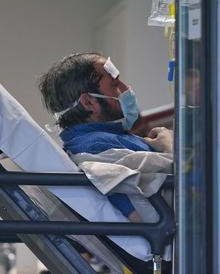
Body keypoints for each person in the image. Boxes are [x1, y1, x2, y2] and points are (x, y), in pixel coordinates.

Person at [38, 52, 172, 273]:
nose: (126, 88)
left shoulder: (106, 138)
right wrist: (169, 145)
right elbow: (143, 217)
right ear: (89, 102)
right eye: (115, 84)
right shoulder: (94, 147)